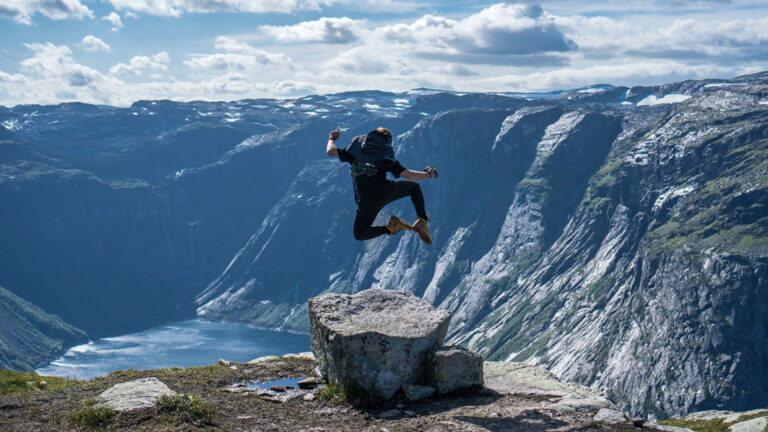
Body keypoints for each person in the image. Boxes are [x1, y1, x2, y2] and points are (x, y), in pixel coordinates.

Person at [325, 126, 438, 243]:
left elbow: (330, 151)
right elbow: (410, 176)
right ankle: (422, 222)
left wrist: (332, 138)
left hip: (367, 202)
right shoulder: (386, 158)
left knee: (359, 233)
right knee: (414, 188)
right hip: (386, 191)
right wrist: (429, 174)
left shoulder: (353, 153)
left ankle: (390, 227)